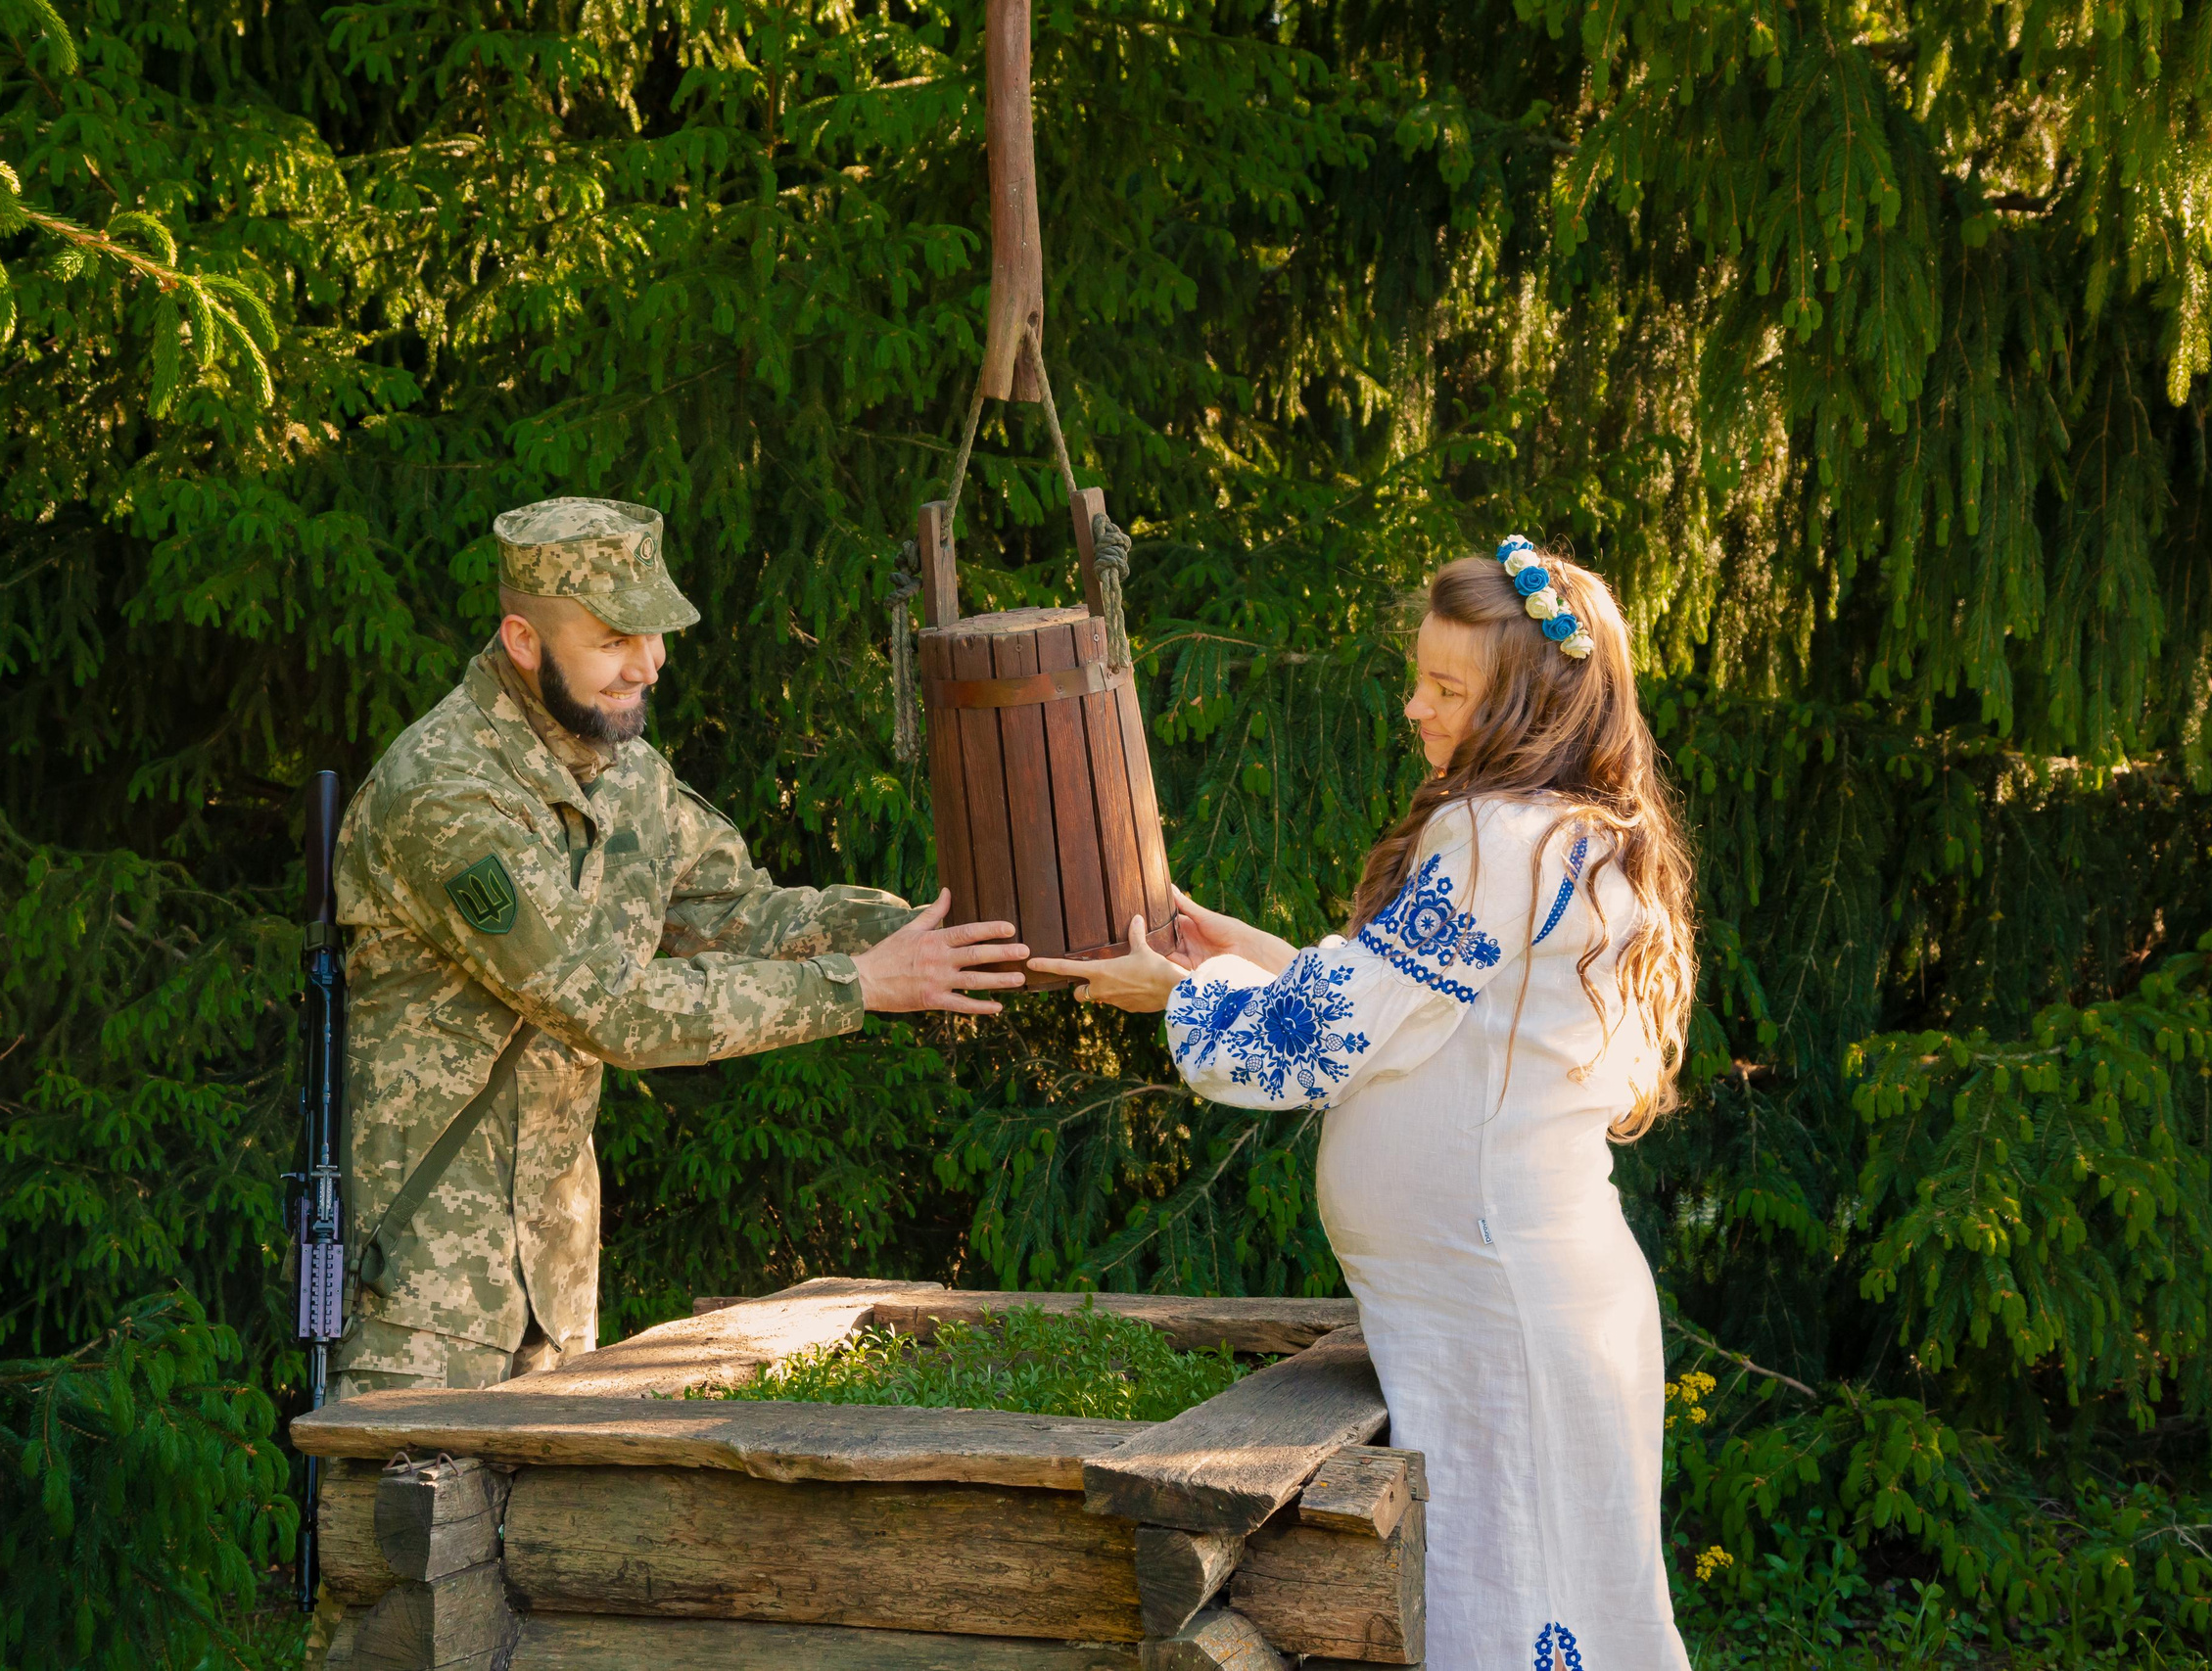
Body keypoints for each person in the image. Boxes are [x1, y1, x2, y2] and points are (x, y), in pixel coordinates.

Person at [1031, 538, 1697, 1671]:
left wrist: (1181, 988)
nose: (1414, 708)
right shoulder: (1561, 835)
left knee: (1504, 1605)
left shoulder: (1496, 837)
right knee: (1560, 1597)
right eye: (1419, 678)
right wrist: (1239, 955)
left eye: (1447, 690)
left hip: (1502, 1313)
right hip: (1515, 1300)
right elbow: (1415, 1016)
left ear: (1531, 706)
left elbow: (1328, 1041)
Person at [329, 497, 1027, 1398]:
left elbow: (742, 911)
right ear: (522, 640)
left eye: (657, 634)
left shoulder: (624, 772)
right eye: (617, 637)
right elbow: (608, 1005)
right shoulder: (445, 795)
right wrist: (857, 986)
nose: (649, 663)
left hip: (557, 1308)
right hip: (420, 1313)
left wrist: (955, 929)